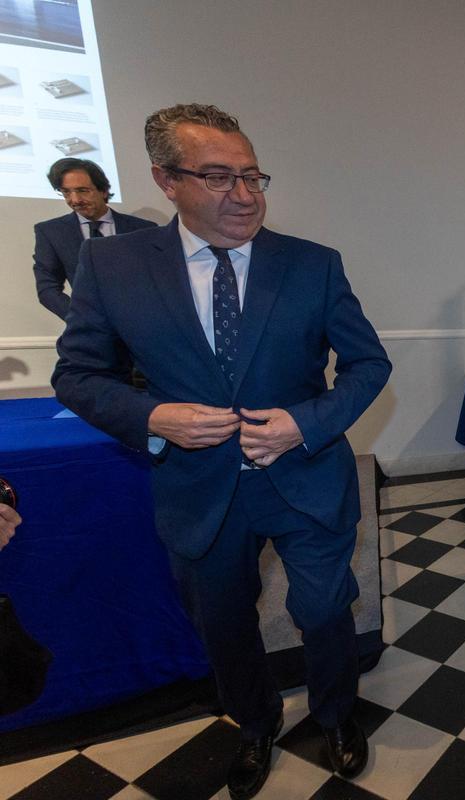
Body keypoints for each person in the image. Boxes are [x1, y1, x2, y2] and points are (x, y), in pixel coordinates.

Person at [52, 104, 391, 800]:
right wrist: (155, 415)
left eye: (253, 176)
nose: (245, 195)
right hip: (198, 489)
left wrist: (304, 422)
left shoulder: (312, 264)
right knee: (225, 623)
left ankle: (334, 715)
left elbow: (368, 366)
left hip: (306, 479)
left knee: (326, 608)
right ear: (166, 180)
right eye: (218, 177)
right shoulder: (111, 264)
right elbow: (78, 375)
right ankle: (255, 724)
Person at [33, 158, 157, 320]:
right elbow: (47, 288)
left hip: (143, 327)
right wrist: (81, 318)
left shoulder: (143, 229)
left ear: (103, 190)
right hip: (90, 334)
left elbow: (159, 281)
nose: (75, 200)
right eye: (66, 192)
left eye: (83, 190)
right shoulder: (51, 232)